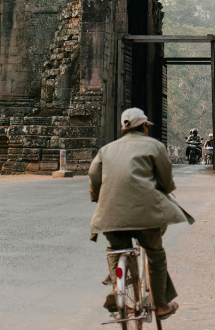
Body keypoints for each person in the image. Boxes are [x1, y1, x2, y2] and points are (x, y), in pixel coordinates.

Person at [89, 108, 194, 320]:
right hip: (147, 214)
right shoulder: (154, 146)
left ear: (123, 128)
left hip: (110, 215)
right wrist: (164, 191)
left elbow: (93, 174)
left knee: (116, 248)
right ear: (144, 127)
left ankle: (115, 291)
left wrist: (98, 198)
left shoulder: (106, 150)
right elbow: (165, 180)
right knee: (155, 253)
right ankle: (161, 305)